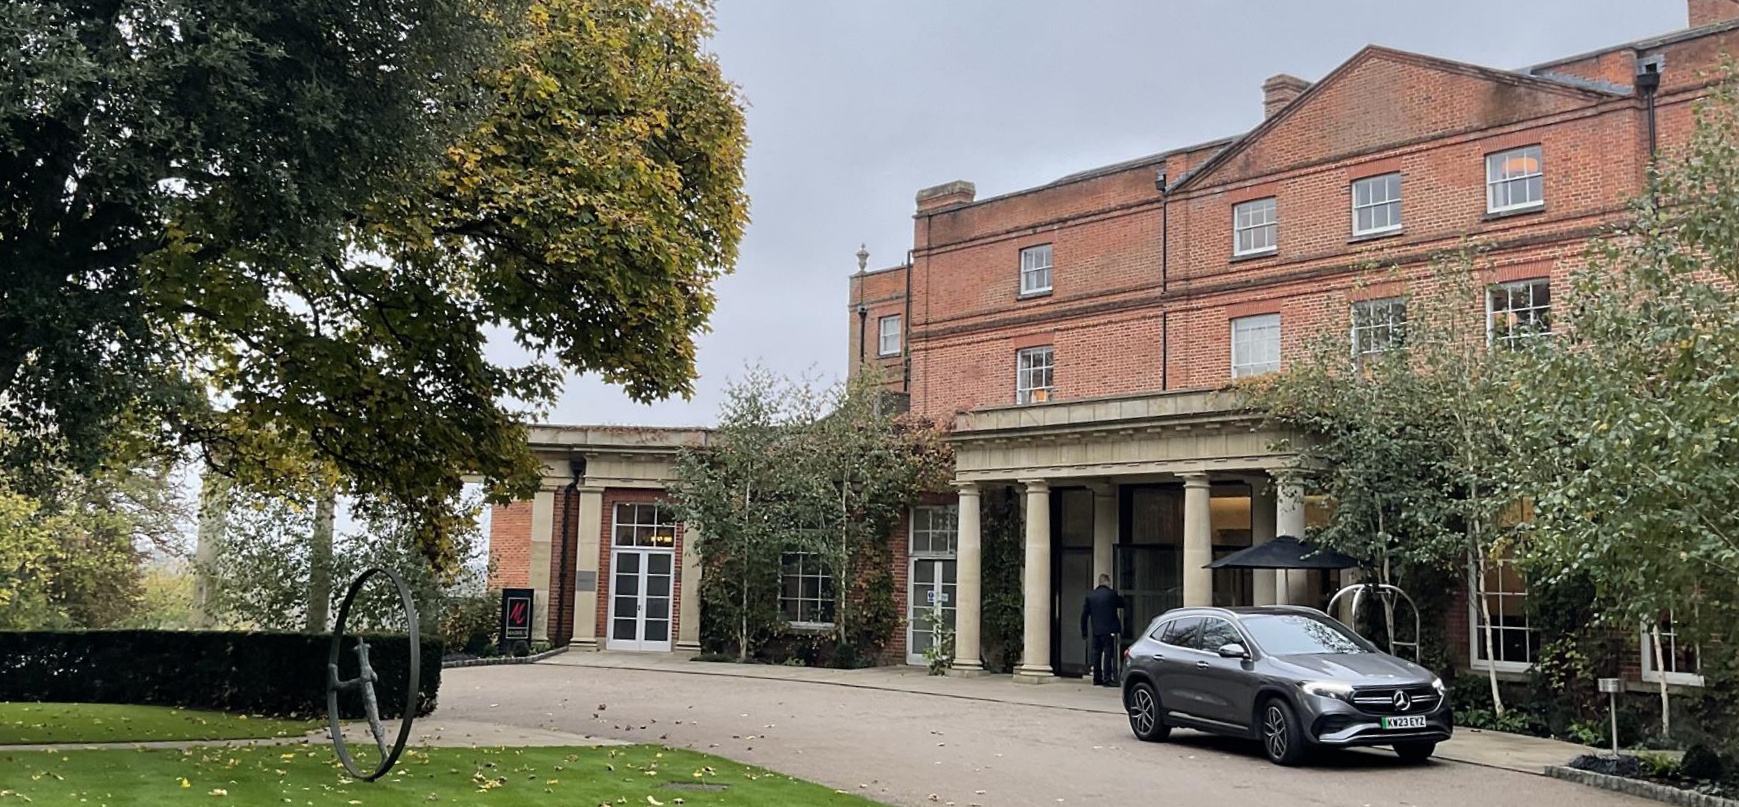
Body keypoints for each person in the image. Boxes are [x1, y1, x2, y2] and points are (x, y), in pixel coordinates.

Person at [1081, 574, 1124, 687]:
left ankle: (1097, 678)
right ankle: (1107, 678)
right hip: (1109, 629)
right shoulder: (1111, 594)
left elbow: (1084, 615)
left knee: (1096, 654)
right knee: (1108, 653)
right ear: (1107, 582)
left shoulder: (1091, 596)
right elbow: (1122, 603)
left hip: (1096, 630)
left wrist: (1084, 631)